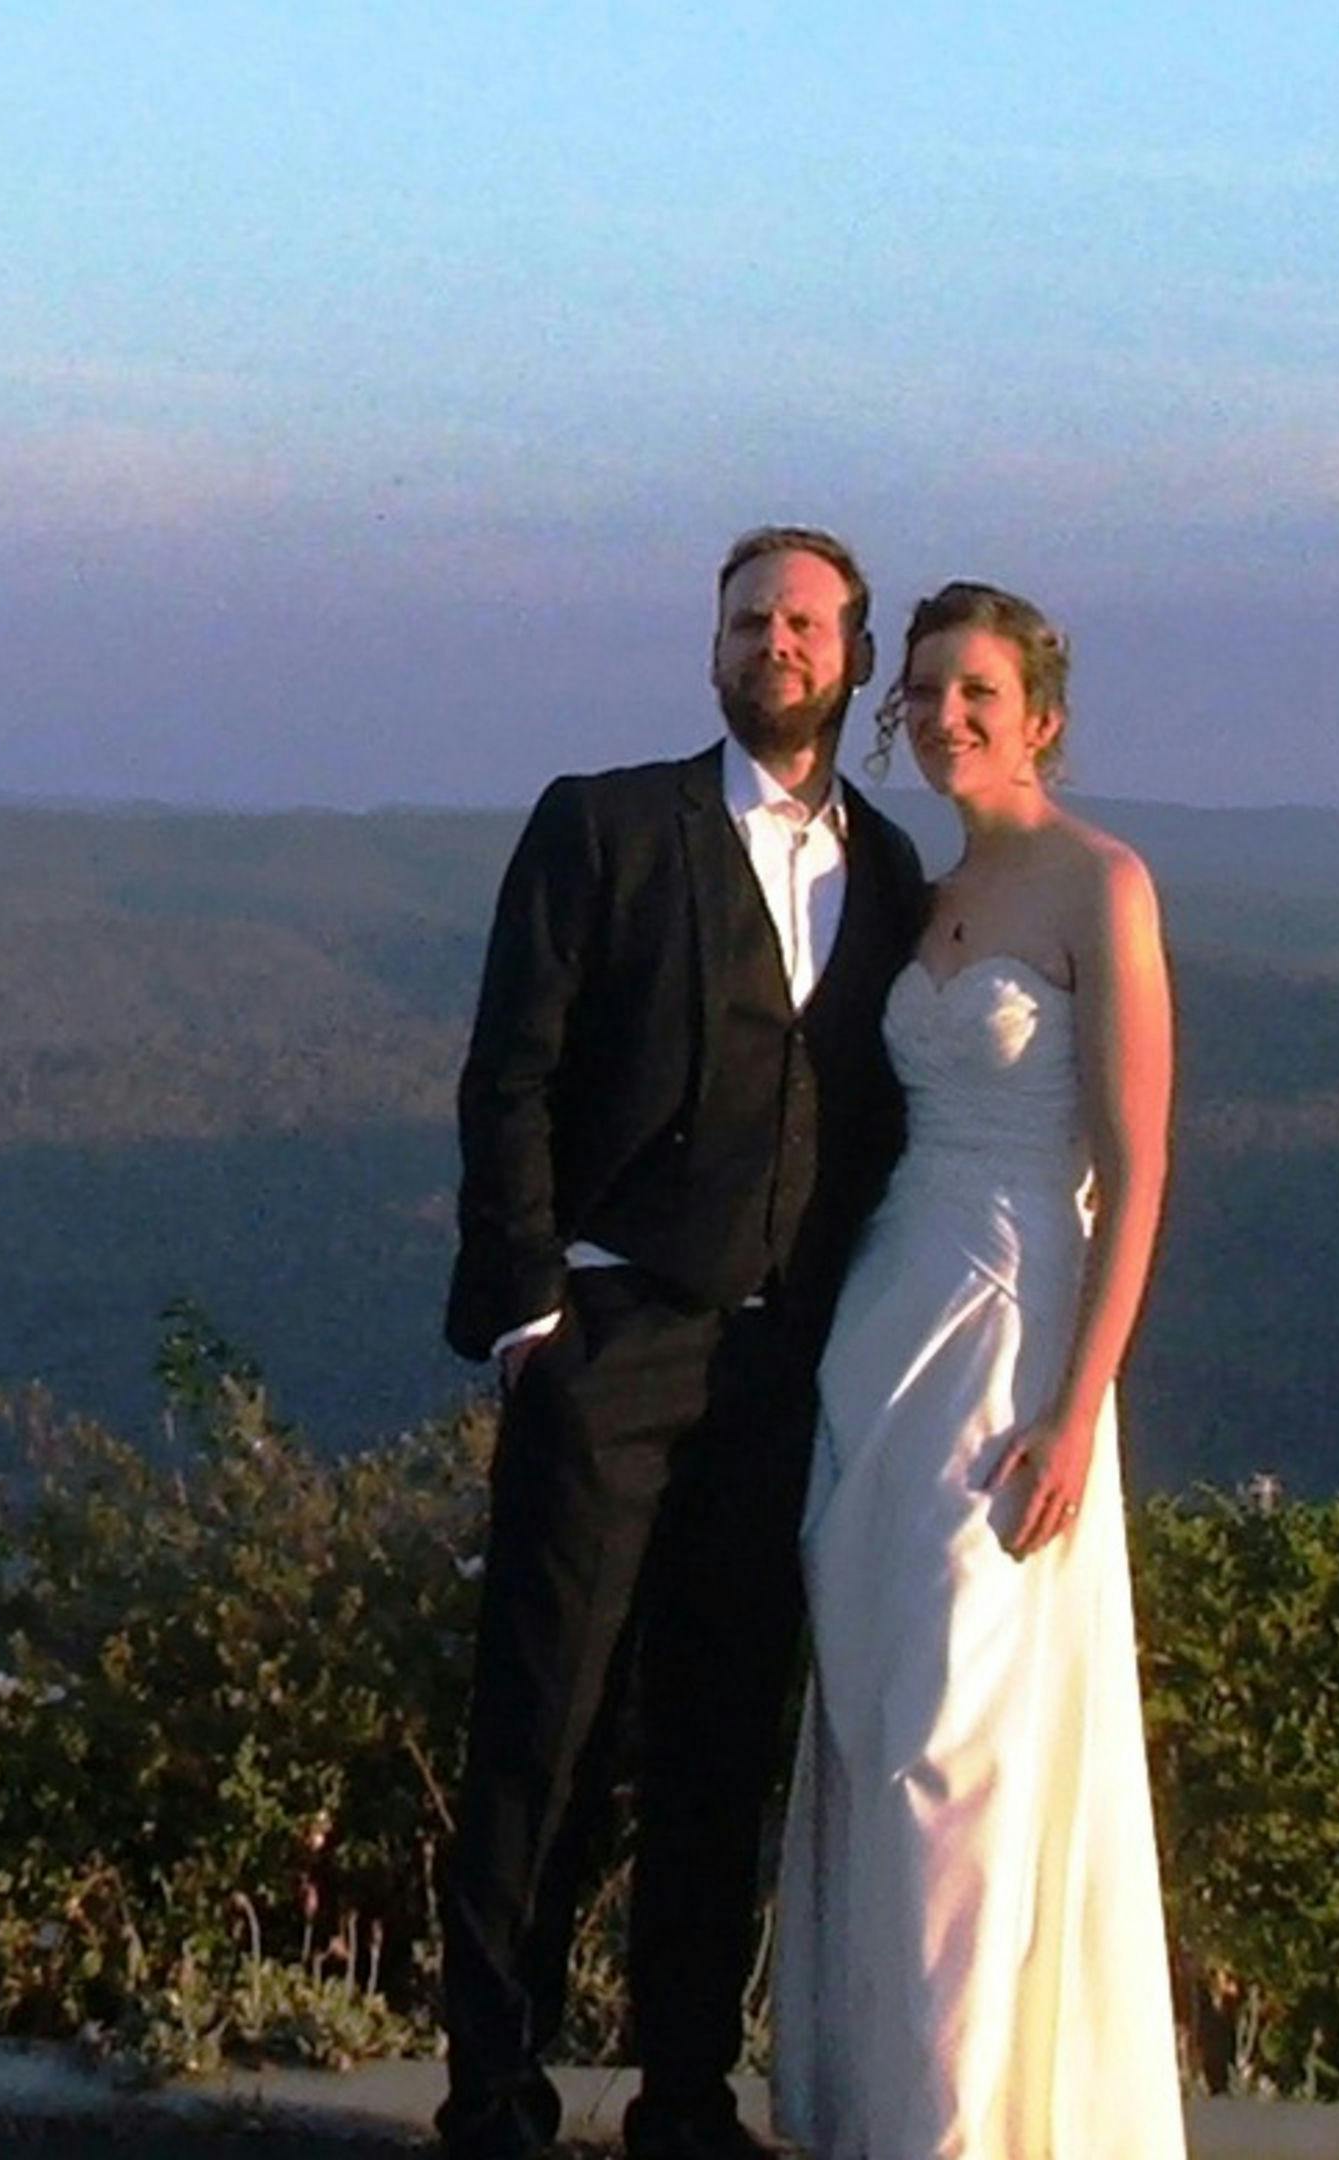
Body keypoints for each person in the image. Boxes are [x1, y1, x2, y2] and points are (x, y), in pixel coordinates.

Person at [436, 525, 932, 2160]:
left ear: (852, 660)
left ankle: (686, 2098)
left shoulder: (894, 872)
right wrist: (534, 1315)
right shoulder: (602, 824)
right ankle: (493, 2099)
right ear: (714, 647)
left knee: (722, 1740)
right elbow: (509, 1071)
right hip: (612, 1340)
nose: (774, 641)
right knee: (547, 1729)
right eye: (748, 619)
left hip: (783, 1371)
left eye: (804, 622)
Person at [772, 580, 1186, 2159]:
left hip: (1019, 1335)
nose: (945, 716)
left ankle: (955, 2125)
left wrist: (1078, 1412)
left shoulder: (1102, 884)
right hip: (885, 1319)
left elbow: (1137, 1173)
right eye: (927, 691)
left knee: (962, 1737)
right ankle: (871, 2103)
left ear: (1042, 721)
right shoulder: (922, 890)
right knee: (872, 1722)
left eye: (978, 695)